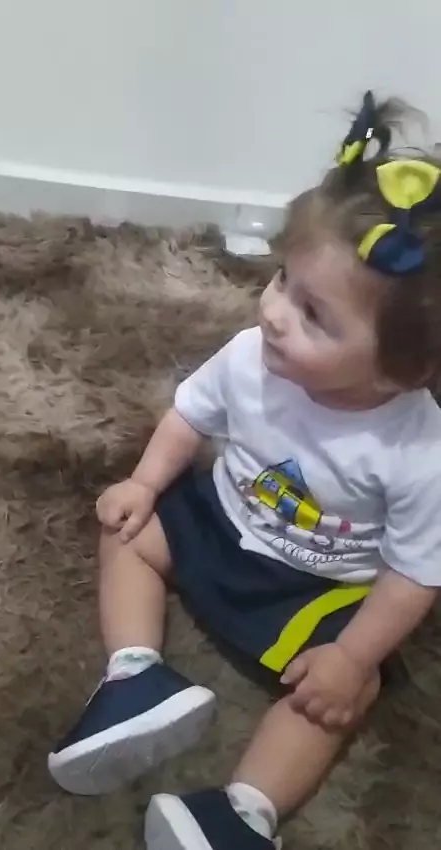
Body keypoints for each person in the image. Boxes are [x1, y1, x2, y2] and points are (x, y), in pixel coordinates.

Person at [48, 91, 441, 850]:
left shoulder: (419, 452)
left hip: (316, 589)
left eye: (315, 314)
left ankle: (244, 812)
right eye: (283, 279)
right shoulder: (250, 356)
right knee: (128, 531)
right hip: (224, 518)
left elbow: (413, 575)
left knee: (346, 690)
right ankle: (135, 676)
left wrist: (351, 654)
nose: (274, 312)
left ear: (404, 370)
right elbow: (189, 417)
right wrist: (144, 483)